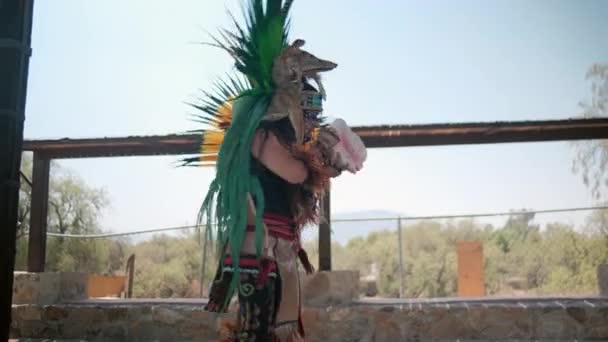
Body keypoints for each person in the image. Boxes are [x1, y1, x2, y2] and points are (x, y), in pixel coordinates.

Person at [181, 1, 366, 340]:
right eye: (307, 110)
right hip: (260, 251)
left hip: (277, 250)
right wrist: (320, 161)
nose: (311, 120)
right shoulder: (262, 136)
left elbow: (301, 182)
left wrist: (323, 160)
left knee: (280, 331)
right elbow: (296, 174)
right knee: (259, 332)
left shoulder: (281, 138)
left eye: (314, 113)